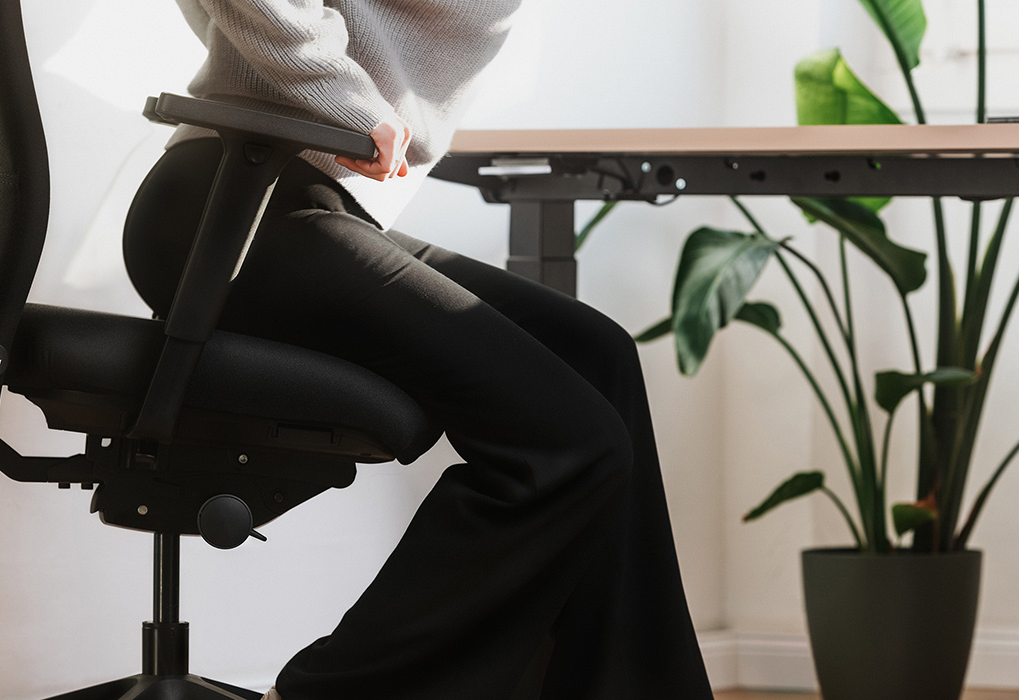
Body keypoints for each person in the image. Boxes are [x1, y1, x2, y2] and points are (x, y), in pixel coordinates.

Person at [121, 2, 716, 698]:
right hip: (231, 216)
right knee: (570, 444)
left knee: (597, 354)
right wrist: (334, 92)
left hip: (299, 202)